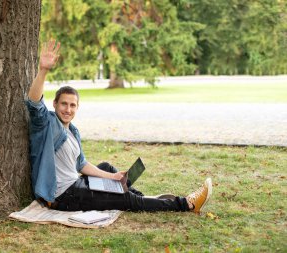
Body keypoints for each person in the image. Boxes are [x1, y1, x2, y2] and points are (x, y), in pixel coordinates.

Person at [25, 40, 212, 214]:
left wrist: (111, 177)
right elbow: (34, 104)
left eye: (72, 105)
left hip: (76, 183)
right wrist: (43, 70)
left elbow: (81, 164)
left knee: (108, 168)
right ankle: (186, 204)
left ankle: (142, 198)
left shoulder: (72, 131)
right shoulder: (47, 124)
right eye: (64, 104)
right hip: (64, 196)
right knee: (125, 199)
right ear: (55, 104)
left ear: (77, 107)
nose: (68, 109)